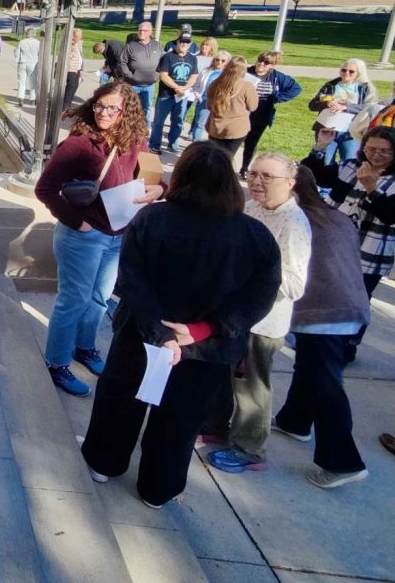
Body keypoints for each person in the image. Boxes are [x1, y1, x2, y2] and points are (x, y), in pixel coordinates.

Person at [80, 143, 282, 508]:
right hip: (208, 348)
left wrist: (164, 335)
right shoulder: (255, 236)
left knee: (122, 401)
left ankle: (103, 462)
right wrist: (201, 331)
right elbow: (258, 299)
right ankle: (158, 487)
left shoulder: (152, 220)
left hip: (142, 337)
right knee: (181, 418)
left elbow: (132, 283)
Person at [35, 81, 164, 396]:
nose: (103, 113)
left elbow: (152, 175)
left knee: (99, 298)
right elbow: (45, 189)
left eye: (112, 108)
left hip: (117, 235)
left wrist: (161, 189)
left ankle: (85, 347)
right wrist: (77, 222)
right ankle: (57, 363)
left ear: (126, 112)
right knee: (74, 300)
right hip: (83, 237)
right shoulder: (79, 144)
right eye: (99, 106)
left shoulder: (135, 141)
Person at [206, 153, 310, 474]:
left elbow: (295, 284)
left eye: (268, 177)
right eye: (253, 174)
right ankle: (216, 428)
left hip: (263, 323)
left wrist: (249, 274)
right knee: (222, 375)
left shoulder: (294, 223)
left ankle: (249, 449)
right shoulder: (250, 207)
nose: (257, 182)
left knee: (252, 388)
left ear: (290, 184)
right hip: (234, 314)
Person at [271, 166, 371, 489]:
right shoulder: (334, 216)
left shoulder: (297, 220)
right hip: (349, 305)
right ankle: (295, 420)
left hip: (324, 310)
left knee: (326, 381)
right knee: (312, 368)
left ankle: (342, 461)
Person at [303, 126, 395, 362]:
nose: (376, 155)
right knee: (327, 291)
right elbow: (311, 176)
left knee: (358, 298)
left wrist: (372, 189)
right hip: (335, 245)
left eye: (384, 152)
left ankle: (348, 345)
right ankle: (322, 338)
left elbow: (390, 215)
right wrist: (320, 147)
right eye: (371, 148)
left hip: (370, 251)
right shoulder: (349, 167)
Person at [240, 51, 302, 177]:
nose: (261, 64)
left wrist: (277, 98)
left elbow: (296, 88)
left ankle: (245, 168)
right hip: (242, 112)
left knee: (252, 142)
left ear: (272, 66)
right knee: (235, 139)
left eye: (266, 62)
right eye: (260, 60)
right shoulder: (246, 72)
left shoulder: (276, 77)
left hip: (261, 114)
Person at [309, 58, 377, 167]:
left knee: (350, 163)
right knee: (325, 163)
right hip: (328, 130)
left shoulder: (364, 88)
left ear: (359, 73)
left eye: (351, 71)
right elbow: (312, 105)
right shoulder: (330, 86)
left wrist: (345, 107)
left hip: (351, 132)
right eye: (344, 70)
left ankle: (343, 184)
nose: (346, 73)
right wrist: (326, 104)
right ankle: (324, 183)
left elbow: (370, 107)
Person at [148, 34, 198, 154]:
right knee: (159, 121)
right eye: (182, 41)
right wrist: (176, 87)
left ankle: (173, 144)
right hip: (166, 95)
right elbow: (163, 75)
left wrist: (185, 88)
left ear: (190, 44)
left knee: (178, 121)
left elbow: (194, 75)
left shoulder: (192, 58)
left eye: (187, 42)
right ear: (177, 42)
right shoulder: (168, 57)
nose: (184, 44)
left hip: (182, 96)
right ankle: (154, 145)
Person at [206, 56, 259, 165]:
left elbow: (209, 106)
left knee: (212, 158)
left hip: (215, 127)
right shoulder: (247, 86)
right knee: (226, 160)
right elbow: (253, 107)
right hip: (236, 129)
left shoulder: (215, 83)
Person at [117, 21, 163, 118]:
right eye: (140, 30)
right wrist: (129, 75)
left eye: (145, 31)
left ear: (150, 32)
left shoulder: (157, 45)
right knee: (129, 107)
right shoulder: (131, 45)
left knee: (147, 108)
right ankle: (127, 128)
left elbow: (163, 60)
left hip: (150, 85)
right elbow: (122, 62)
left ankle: (145, 129)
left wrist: (157, 74)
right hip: (133, 84)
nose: (142, 33)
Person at [187, 47, 228, 142]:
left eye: (223, 60)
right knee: (199, 123)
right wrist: (197, 94)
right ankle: (196, 143)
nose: (219, 62)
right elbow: (197, 85)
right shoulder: (206, 71)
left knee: (214, 126)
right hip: (204, 101)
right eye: (217, 60)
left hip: (219, 103)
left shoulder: (227, 75)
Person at [14, 27, 40, 105]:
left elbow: (16, 53)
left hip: (23, 62)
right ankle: (32, 99)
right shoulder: (37, 42)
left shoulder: (22, 42)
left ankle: (21, 98)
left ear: (27, 34)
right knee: (33, 81)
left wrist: (17, 56)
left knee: (21, 81)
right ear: (34, 34)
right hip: (33, 63)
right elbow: (40, 53)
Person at [62, 28, 84, 106]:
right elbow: (67, 57)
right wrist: (73, 48)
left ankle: (69, 104)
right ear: (74, 36)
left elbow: (81, 57)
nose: (81, 37)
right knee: (70, 87)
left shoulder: (79, 44)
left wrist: (81, 69)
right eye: (79, 35)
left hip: (77, 69)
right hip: (71, 69)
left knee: (75, 86)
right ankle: (65, 106)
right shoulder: (70, 44)